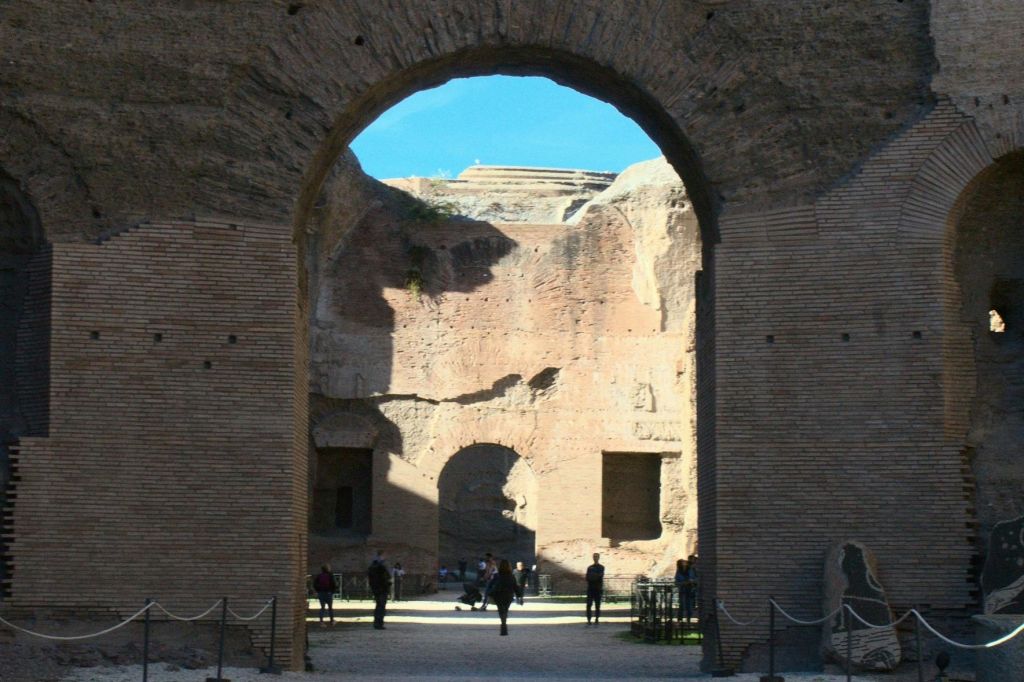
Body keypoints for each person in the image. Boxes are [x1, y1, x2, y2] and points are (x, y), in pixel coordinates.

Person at [489, 559, 523, 635]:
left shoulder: (497, 575)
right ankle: (504, 624)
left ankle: (503, 624)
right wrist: (519, 596)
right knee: (505, 610)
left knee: (501, 610)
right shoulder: (511, 576)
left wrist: (490, 593)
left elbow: (491, 585)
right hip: (508, 595)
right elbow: (515, 587)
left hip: (498, 595)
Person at [367, 550, 392, 630]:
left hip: (376, 588)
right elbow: (386, 578)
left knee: (378, 606)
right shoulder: (381, 567)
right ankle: (379, 623)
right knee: (381, 606)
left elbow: (370, 577)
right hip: (382, 588)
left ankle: (377, 623)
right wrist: (388, 584)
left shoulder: (372, 566)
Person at [675, 556, 697, 622]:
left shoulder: (691, 570)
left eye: (685, 562)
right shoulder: (679, 572)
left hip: (691, 590)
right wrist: (684, 583)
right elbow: (677, 582)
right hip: (683, 590)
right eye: (683, 562)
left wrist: (692, 581)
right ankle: (680, 620)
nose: (685, 563)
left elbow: (696, 578)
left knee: (689, 606)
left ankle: (688, 620)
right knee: (682, 605)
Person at [585, 552, 605, 626]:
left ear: (598, 558)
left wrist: (592, 576)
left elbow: (599, 576)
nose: (595, 558)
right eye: (594, 556)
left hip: (598, 588)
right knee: (589, 605)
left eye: (596, 556)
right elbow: (587, 577)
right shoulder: (590, 567)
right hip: (590, 589)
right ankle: (589, 619)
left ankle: (597, 619)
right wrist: (594, 576)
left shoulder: (601, 567)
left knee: (597, 605)